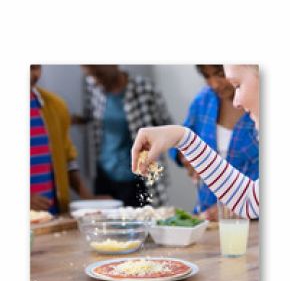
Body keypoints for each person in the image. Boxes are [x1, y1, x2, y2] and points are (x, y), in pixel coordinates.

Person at [132, 65, 259, 219]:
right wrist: (182, 139)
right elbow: (248, 200)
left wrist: (183, 138)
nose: (236, 102)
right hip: (209, 208)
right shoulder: (203, 102)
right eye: (206, 76)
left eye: (237, 85)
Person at [72, 65, 172, 207]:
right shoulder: (93, 88)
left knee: (145, 224)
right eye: (91, 75)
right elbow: (90, 117)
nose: (95, 80)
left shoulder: (144, 89)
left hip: (138, 177)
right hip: (105, 176)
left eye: (98, 74)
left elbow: (167, 128)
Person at [169, 65, 259, 221]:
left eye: (220, 74)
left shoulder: (256, 110)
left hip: (249, 222)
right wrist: (185, 155)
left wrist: (232, 210)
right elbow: (182, 142)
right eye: (206, 76)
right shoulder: (203, 101)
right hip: (207, 212)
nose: (214, 84)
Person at [30, 65, 95, 214]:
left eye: (36, 67)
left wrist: (89, 198)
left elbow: (67, 160)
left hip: (52, 218)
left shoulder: (55, 105)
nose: (33, 74)